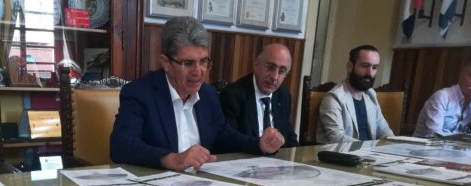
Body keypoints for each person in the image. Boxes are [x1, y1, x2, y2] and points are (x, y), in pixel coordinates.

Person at [110, 17, 285, 171]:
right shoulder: (140, 93)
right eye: (188, 63)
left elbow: (224, 136)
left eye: (203, 62)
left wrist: (259, 144)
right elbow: (121, 146)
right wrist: (172, 159)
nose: (198, 71)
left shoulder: (208, 94)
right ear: (166, 63)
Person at [220, 44, 298, 148]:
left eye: (282, 71)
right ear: (256, 64)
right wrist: (259, 145)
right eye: (270, 67)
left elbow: (288, 134)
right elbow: (229, 140)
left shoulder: (283, 96)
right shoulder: (233, 95)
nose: (274, 77)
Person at [316, 45, 394, 143]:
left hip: (370, 151)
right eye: (365, 66)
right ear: (350, 66)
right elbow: (336, 137)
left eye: (374, 67)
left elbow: (384, 130)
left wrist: (394, 144)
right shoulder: (334, 98)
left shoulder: (371, 95)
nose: (369, 73)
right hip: (342, 151)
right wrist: (369, 148)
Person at [413, 60, 471, 137]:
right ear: (461, 76)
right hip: (425, 143)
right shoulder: (442, 97)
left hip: (452, 144)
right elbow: (434, 136)